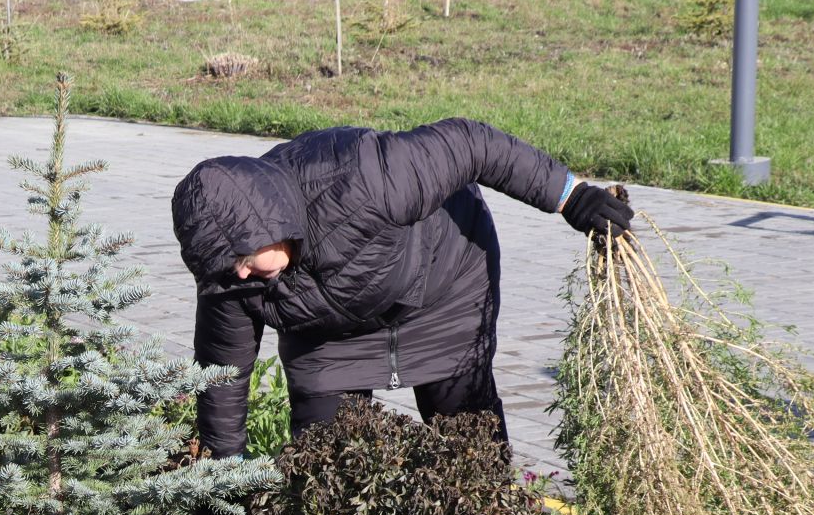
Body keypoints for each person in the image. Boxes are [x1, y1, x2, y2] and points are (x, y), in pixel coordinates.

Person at [170, 118, 631, 459]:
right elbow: (221, 369)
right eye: (230, 267)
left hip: (442, 297)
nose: (242, 276)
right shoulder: (231, 274)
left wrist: (571, 196)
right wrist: (220, 473)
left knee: (469, 454)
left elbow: (474, 145)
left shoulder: (364, 179)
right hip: (328, 339)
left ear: (269, 224)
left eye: (245, 259)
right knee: (323, 469)